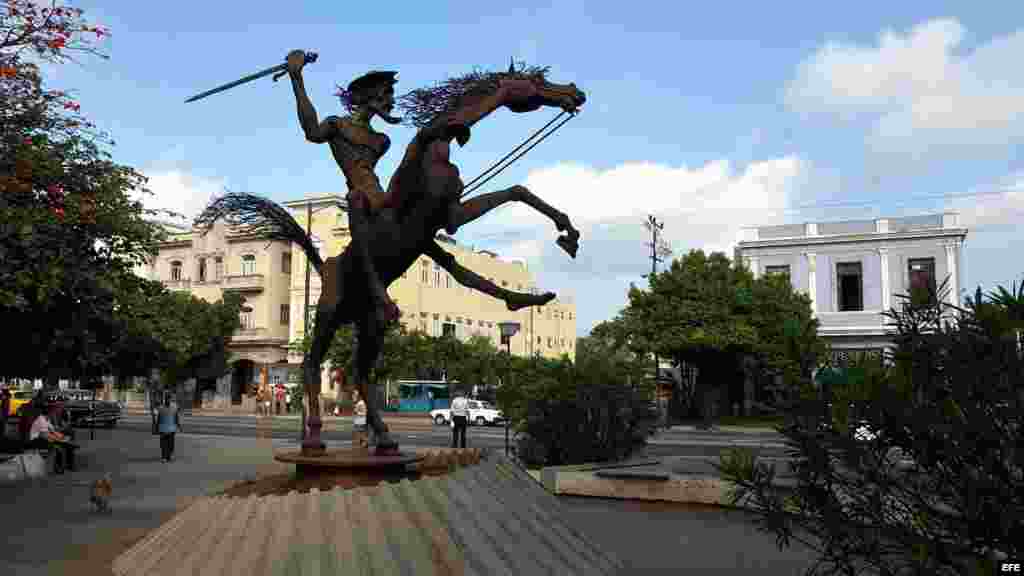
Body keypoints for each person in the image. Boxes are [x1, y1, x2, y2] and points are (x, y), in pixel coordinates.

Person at [285, 50, 405, 325]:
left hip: (379, 195)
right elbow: (311, 132)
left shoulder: (381, 140)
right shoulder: (336, 126)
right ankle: (376, 290)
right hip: (360, 198)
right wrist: (296, 77)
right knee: (355, 198)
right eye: (387, 95)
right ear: (368, 97)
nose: (391, 101)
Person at [27, 407, 71, 473]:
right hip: (35, 440)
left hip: (42, 439)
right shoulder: (41, 420)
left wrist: (63, 437)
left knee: (61, 447)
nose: (54, 415)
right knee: (56, 447)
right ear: (49, 413)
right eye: (53, 413)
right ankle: (54, 468)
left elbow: (53, 431)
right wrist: (59, 439)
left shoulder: (47, 419)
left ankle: (61, 467)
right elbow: (45, 435)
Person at [156, 395, 181, 463]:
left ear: (171, 400)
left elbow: (176, 417)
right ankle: (164, 457)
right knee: (163, 444)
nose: (168, 400)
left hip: (171, 428)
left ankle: (169, 455)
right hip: (163, 428)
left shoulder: (174, 407)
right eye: (167, 399)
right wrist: (157, 427)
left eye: (169, 399)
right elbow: (159, 418)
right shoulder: (161, 408)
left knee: (170, 443)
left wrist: (178, 425)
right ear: (165, 400)